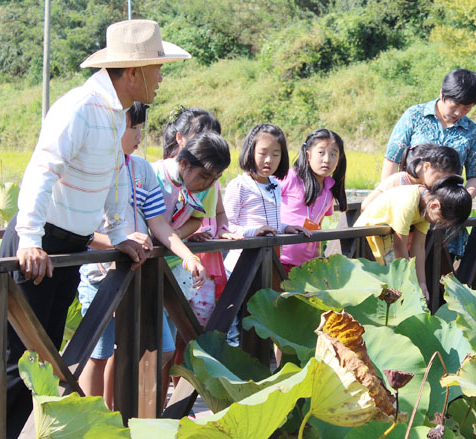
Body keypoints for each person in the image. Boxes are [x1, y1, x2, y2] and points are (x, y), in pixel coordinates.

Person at [0, 19, 189, 438]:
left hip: (72, 247)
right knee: (17, 363)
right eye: (157, 67)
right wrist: (29, 240)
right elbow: (42, 170)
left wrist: (120, 233)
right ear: (134, 71)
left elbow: (115, 181)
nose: (161, 77)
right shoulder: (80, 108)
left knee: (45, 359)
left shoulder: (114, 115)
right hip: (41, 245)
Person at [77, 103, 205, 408]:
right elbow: (82, 231)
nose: (139, 134)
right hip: (100, 278)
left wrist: (188, 256)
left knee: (143, 350)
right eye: (132, 127)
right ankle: (92, 425)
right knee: (97, 355)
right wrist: (117, 242)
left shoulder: (142, 169)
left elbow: (160, 224)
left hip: (135, 278)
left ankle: (120, 418)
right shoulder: (90, 169)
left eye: (140, 127)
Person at [223, 124, 312, 346]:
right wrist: (254, 232)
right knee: (234, 325)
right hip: (239, 266)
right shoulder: (239, 185)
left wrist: (286, 228)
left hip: (267, 265)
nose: (268, 160)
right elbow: (225, 227)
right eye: (262, 153)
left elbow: (272, 222)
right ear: (250, 151)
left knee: (262, 321)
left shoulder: (274, 184)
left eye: (276, 154)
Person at [381, 68, 476, 257]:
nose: (459, 112)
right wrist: (390, 199)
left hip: (445, 219)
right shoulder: (415, 116)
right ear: (442, 94)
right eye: (455, 105)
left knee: (441, 276)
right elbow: (392, 159)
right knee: (404, 266)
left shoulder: (471, 130)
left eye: (467, 108)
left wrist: (461, 201)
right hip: (409, 212)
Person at [152, 132, 235, 327]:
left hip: (173, 264)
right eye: (204, 176)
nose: (208, 184)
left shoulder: (205, 187)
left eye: (216, 178)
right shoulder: (153, 175)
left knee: (167, 340)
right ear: (184, 164)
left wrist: (176, 237)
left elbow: (197, 218)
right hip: (140, 266)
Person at [354, 175, 472, 300]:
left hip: (385, 244)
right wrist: (410, 284)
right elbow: (400, 247)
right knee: (380, 294)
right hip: (363, 242)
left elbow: (419, 247)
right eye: (441, 222)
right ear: (434, 206)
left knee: (391, 295)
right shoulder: (408, 203)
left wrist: (422, 284)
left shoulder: (427, 203)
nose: (438, 225)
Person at [280, 129, 347, 274]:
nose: (327, 159)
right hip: (278, 259)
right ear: (308, 155)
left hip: (305, 265)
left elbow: (318, 225)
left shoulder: (329, 191)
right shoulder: (290, 178)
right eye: (321, 152)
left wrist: (317, 260)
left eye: (333, 154)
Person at [362, 143, 461, 211]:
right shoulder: (399, 181)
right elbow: (366, 205)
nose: (439, 184)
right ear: (426, 166)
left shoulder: (427, 192)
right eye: (438, 178)